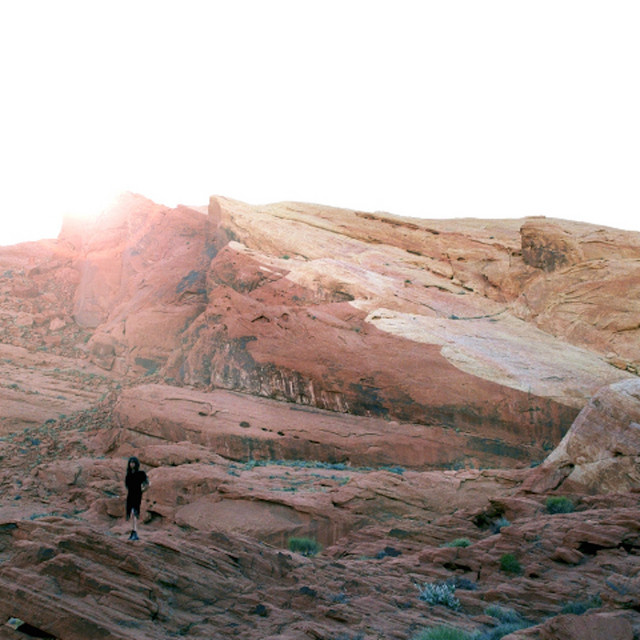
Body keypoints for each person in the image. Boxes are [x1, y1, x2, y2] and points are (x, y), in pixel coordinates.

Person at [125, 456, 149, 541]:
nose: (132, 464)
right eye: (131, 463)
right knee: (131, 512)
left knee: (134, 512)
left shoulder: (140, 474)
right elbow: (127, 486)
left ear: (136, 464)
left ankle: (134, 531)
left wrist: (142, 490)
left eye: (133, 463)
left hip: (137, 495)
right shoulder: (128, 475)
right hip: (130, 495)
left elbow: (147, 484)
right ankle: (133, 531)